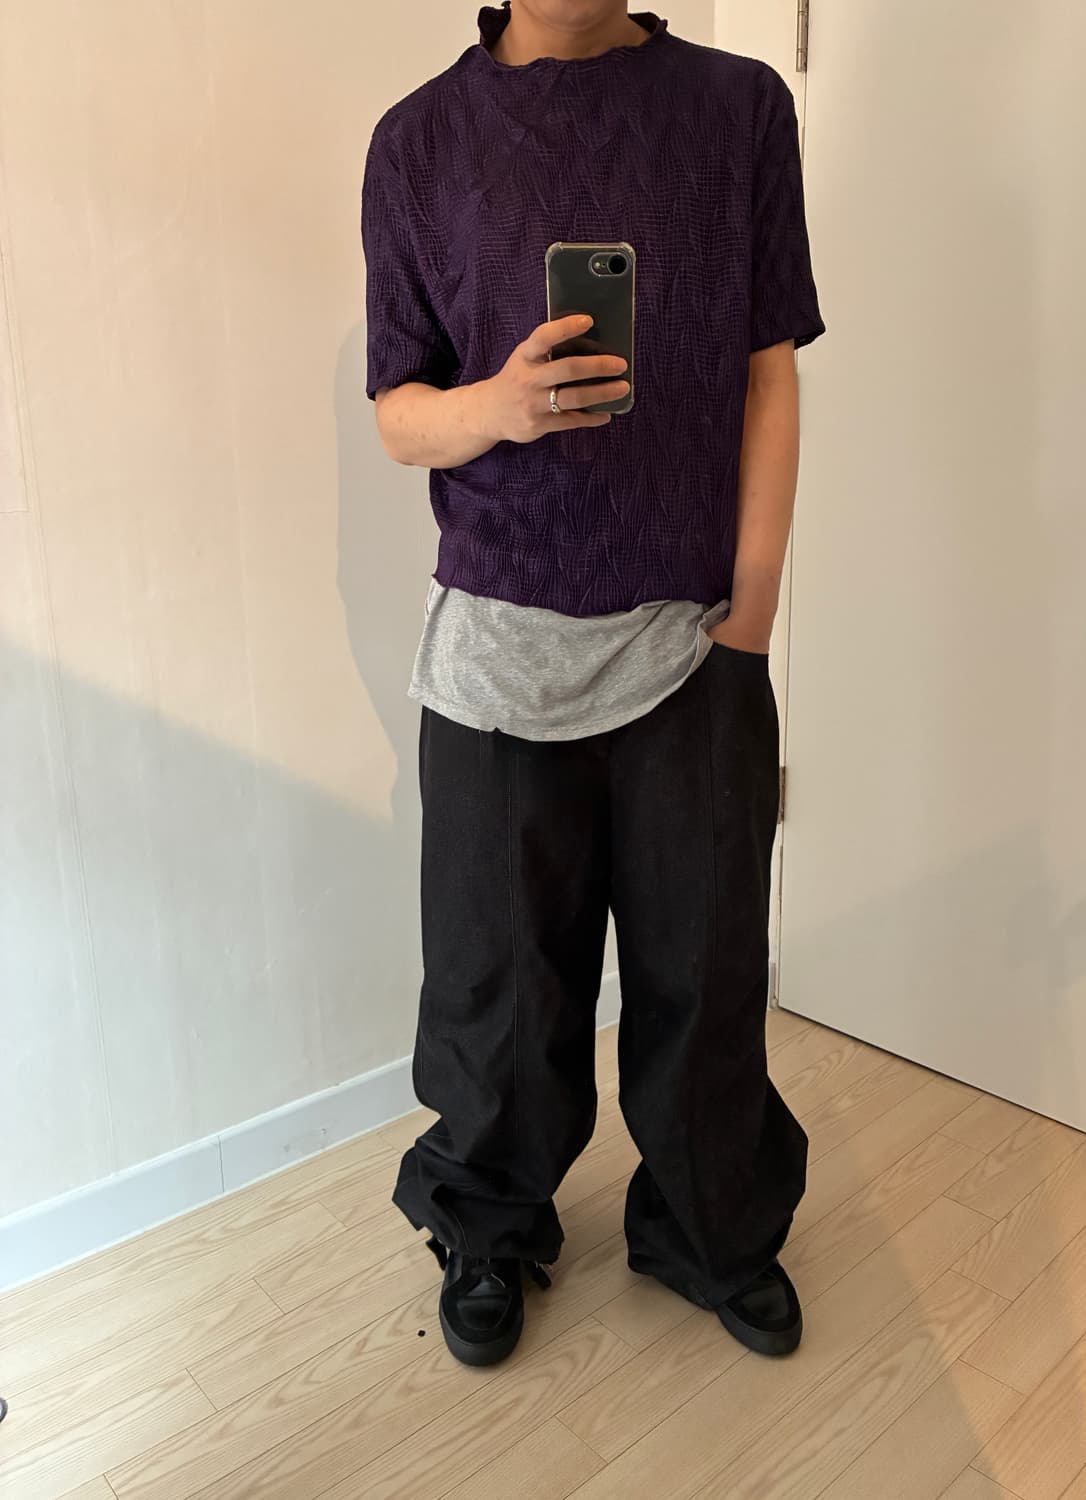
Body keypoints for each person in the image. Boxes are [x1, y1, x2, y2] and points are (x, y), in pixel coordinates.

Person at [361, 0, 825, 1368]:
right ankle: (489, 1228)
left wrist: (750, 618)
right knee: (498, 991)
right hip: (496, 657)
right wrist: (496, 409)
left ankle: (709, 1230)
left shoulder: (739, 110)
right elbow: (398, 413)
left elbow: (769, 374)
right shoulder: (417, 141)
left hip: (692, 641)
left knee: (706, 970)